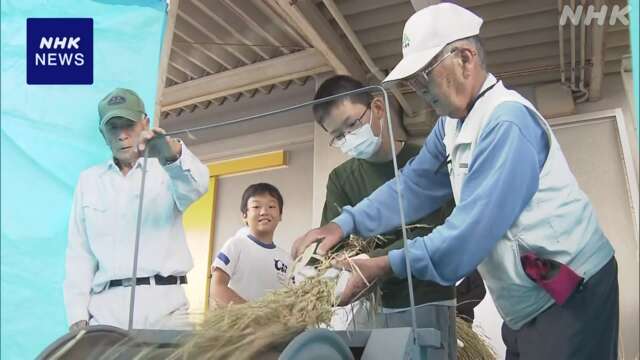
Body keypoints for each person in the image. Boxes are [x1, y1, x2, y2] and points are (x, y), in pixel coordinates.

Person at [293, 4, 618, 360]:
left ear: (465, 58)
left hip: (569, 288)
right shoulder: (451, 124)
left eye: (425, 75)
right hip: (527, 295)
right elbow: (412, 186)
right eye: (412, 80)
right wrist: (343, 224)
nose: (418, 89)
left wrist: (381, 266)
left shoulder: (506, 124)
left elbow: (468, 235)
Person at [314, 74, 484, 359]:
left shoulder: (429, 162)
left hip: (429, 299)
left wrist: (378, 260)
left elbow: (446, 232)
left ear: (378, 108)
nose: (347, 139)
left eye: (352, 125)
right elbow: (337, 243)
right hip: (374, 305)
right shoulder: (342, 179)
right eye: (338, 136)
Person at [63, 88, 209, 331]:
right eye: (113, 128)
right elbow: (79, 253)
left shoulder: (167, 170)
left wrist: (170, 153)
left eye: (129, 125)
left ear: (145, 123)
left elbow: (197, 186)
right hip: (105, 312)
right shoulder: (89, 181)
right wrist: (78, 316)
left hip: (166, 308)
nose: (122, 135)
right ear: (103, 133)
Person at [210, 183, 291, 306]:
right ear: (244, 216)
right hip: (239, 324)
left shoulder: (287, 259)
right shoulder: (236, 245)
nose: (264, 211)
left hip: (274, 325)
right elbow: (217, 288)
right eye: (256, 206)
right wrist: (253, 314)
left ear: (280, 215)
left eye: (271, 206)